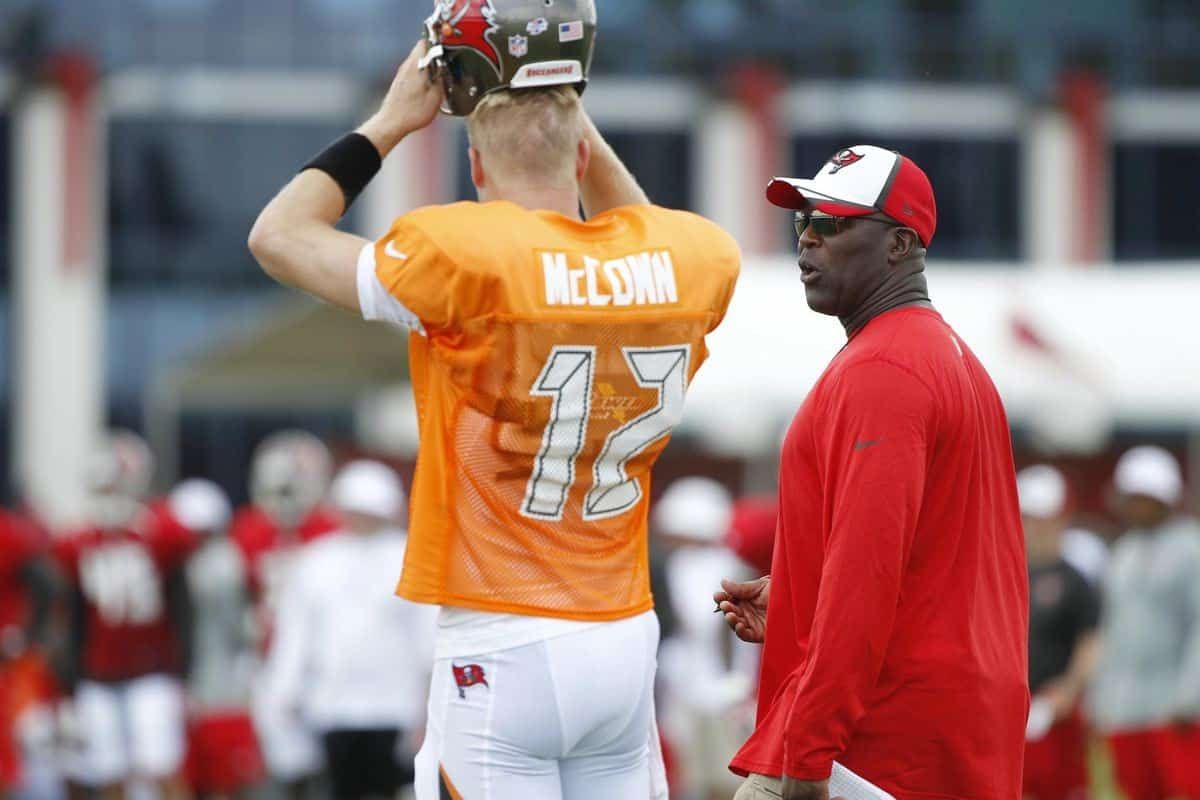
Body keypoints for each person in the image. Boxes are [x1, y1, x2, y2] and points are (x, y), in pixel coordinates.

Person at [247, 1, 740, 796]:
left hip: (500, 641)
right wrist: (555, 85)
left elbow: (279, 234)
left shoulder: (464, 253)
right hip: (622, 640)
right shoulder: (694, 254)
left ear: (476, 168)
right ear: (582, 155)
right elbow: (639, 229)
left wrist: (389, 123)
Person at [716, 146, 1028, 800]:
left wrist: (807, 754)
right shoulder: (946, 358)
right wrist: (803, 600)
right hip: (941, 727)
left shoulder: (883, 370)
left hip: (880, 744)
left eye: (833, 223)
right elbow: (929, 561)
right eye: (804, 218)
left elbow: (868, 573)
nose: (807, 235)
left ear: (900, 246)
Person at [260, 460, 436, 800]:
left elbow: (428, 636)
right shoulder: (318, 560)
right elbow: (296, 632)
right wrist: (284, 688)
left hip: (396, 706)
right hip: (332, 705)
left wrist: (428, 707)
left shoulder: (411, 557)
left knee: (395, 789)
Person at [52, 431, 195, 800]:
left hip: (152, 668)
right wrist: (69, 673)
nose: (109, 496)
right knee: (107, 769)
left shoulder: (159, 530)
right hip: (98, 670)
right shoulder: (81, 539)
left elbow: (181, 601)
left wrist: (183, 666)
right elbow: (74, 611)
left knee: (160, 764)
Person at [230, 430, 338, 800]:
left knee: (323, 755)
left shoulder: (328, 529)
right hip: (269, 654)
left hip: (325, 658)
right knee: (282, 757)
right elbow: (241, 594)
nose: (286, 501)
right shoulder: (249, 529)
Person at [1089, 445, 1200, 800]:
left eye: (1144, 497)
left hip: (1174, 707)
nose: (1136, 506)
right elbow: (1112, 631)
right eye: (1131, 497)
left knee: (1182, 790)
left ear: (1165, 498)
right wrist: (1101, 698)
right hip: (1125, 708)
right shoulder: (1122, 554)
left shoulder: (1190, 550)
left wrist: (1190, 694)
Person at [654, 477, 754, 800]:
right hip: (697, 695)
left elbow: (707, 625)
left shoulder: (702, 566)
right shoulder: (726, 563)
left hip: (715, 696)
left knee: (721, 783)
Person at [170, 479, 264, 800]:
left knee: (224, 780)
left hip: (219, 685)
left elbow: (236, 629)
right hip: (189, 683)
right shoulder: (179, 563)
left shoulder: (222, 564)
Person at [1016, 465, 1101, 800]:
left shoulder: (1074, 581)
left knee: (1064, 788)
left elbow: (1090, 641)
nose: (1034, 527)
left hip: (1053, 707)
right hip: (1013, 705)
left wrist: (1069, 688)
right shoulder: (1006, 577)